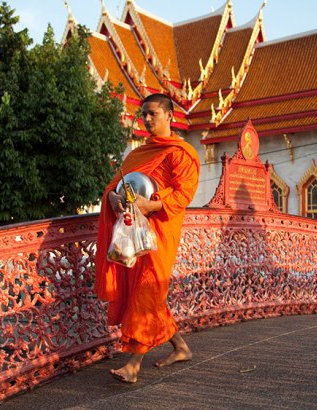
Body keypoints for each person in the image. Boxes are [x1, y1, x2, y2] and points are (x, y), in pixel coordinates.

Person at [95, 93, 200, 383]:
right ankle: (181, 347)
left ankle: (133, 365)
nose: (148, 119)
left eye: (154, 113)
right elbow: (116, 186)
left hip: (160, 234)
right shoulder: (137, 154)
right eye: (145, 114)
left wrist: (150, 205)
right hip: (133, 232)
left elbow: (183, 195)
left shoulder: (181, 153)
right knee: (150, 296)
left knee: (147, 291)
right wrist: (114, 198)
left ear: (170, 116)